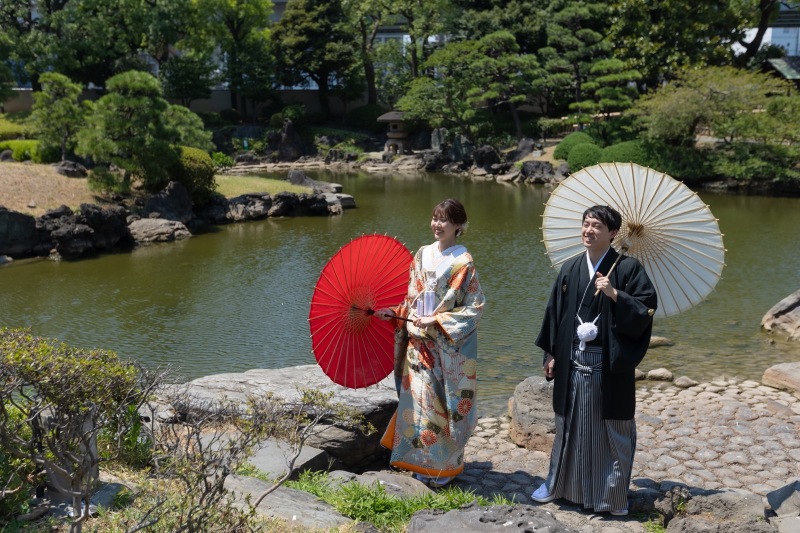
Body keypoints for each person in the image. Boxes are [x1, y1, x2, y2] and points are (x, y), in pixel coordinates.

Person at [532, 205, 657, 515]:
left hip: (608, 366)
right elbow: (556, 315)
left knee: (608, 430)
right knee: (569, 426)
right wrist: (551, 354)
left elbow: (646, 310)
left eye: (597, 226)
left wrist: (617, 295)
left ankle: (611, 498)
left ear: (613, 234)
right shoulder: (570, 269)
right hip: (572, 360)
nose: (588, 230)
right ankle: (558, 486)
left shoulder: (628, 269)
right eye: (586, 224)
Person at [376, 198, 485, 488]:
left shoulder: (464, 262)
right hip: (417, 345)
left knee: (443, 407)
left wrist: (436, 321)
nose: (437, 224)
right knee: (421, 406)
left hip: (446, 349)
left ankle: (443, 468)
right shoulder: (422, 254)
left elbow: (473, 308)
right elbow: (412, 301)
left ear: (458, 226)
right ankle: (421, 462)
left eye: (445, 220)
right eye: (435, 218)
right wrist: (396, 314)